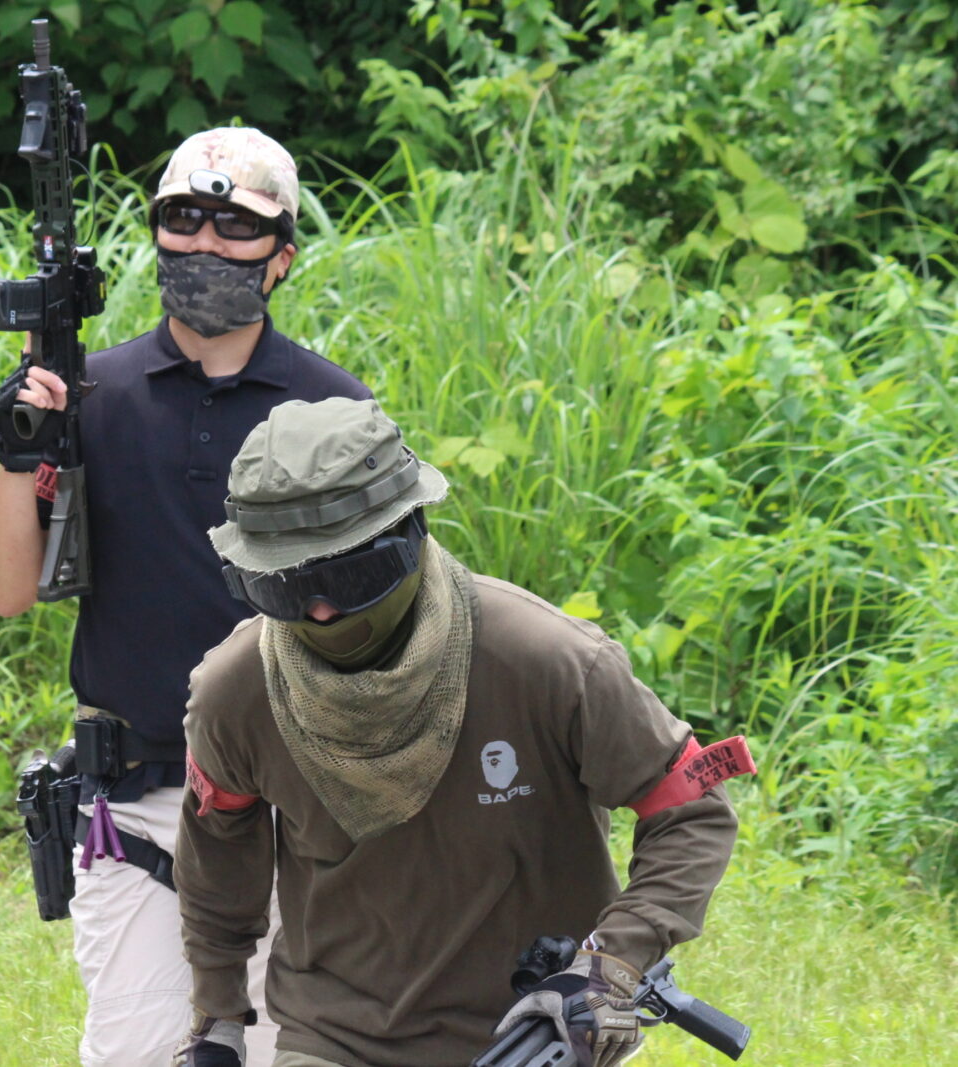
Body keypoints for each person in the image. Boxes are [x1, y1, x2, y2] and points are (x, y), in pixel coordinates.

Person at [172, 397, 748, 1067]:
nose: (322, 612)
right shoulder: (237, 693)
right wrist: (217, 1018)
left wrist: (613, 964)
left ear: (411, 536)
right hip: (334, 1037)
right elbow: (217, 864)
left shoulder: (548, 663)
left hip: (535, 1033)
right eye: (286, 588)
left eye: (350, 577)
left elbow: (691, 810)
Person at [0, 127, 372, 1067]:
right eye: (183, 218)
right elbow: (9, 590)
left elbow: (384, 613)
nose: (205, 242)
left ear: (281, 257)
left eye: (236, 226)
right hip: (141, 807)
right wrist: (21, 452)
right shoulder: (91, 393)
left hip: (301, 807)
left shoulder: (333, 409)